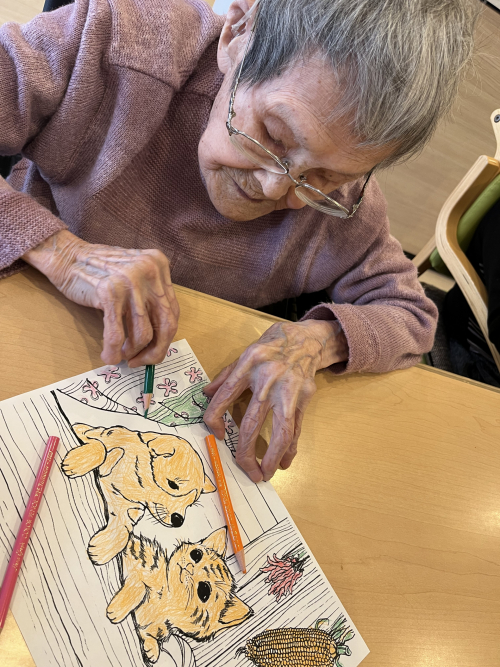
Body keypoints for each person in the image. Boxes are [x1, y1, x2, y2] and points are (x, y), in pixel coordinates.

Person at [0, 0, 477, 482]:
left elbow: (411, 314)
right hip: (28, 314)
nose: (274, 188)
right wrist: (62, 252)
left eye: (326, 175)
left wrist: (316, 340)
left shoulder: (345, 208)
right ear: (237, 33)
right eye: (274, 135)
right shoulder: (116, 42)